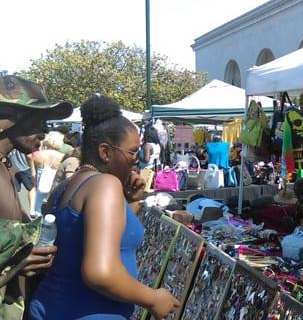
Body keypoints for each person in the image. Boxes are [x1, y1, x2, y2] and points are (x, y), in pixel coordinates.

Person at [29, 95, 179, 320]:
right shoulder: (105, 185)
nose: (137, 159)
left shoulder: (65, 187)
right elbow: (99, 272)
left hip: (51, 306)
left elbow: (109, 238)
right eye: (132, 152)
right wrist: (153, 298)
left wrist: (132, 201)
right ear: (105, 152)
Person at [0, 75, 73, 319]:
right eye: (38, 119)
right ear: (7, 118)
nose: (44, 130)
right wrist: (16, 258)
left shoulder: (7, 165)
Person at [31, 131, 65, 216]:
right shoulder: (63, 157)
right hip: (55, 190)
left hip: (40, 188)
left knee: (38, 213)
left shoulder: (36, 155)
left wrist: (36, 185)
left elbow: (33, 174)